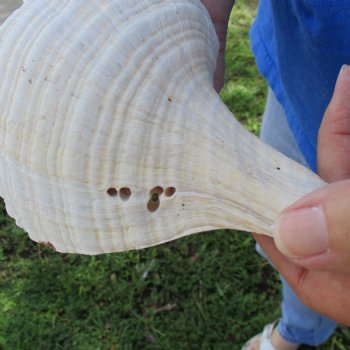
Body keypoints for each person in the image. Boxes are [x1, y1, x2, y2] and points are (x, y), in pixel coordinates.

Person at [200, 0, 350, 349]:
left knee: (319, 260)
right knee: (286, 246)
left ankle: (296, 332)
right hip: (299, 60)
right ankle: (297, 326)